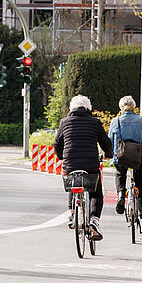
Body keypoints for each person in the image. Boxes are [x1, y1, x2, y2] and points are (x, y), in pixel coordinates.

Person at [54, 94, 113, 241]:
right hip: (90, 164)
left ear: (71, 108)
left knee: (72, 183)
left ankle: (71, 214)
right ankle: (94, 220)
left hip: (70, 164)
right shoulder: (95, 122)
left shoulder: (64, 122)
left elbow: (57, 144)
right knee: (96, 193)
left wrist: (61, 156)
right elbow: (106, 143)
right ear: (88, 108)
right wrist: (108, 154)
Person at [108, 95, 142, 234]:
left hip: (121, 157)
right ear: (134, 107)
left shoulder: (116, 121)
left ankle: (121, 195)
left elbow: (110, 143)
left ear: (121, 107)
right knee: (141, 186)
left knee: (120, 174)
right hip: (140, 159)